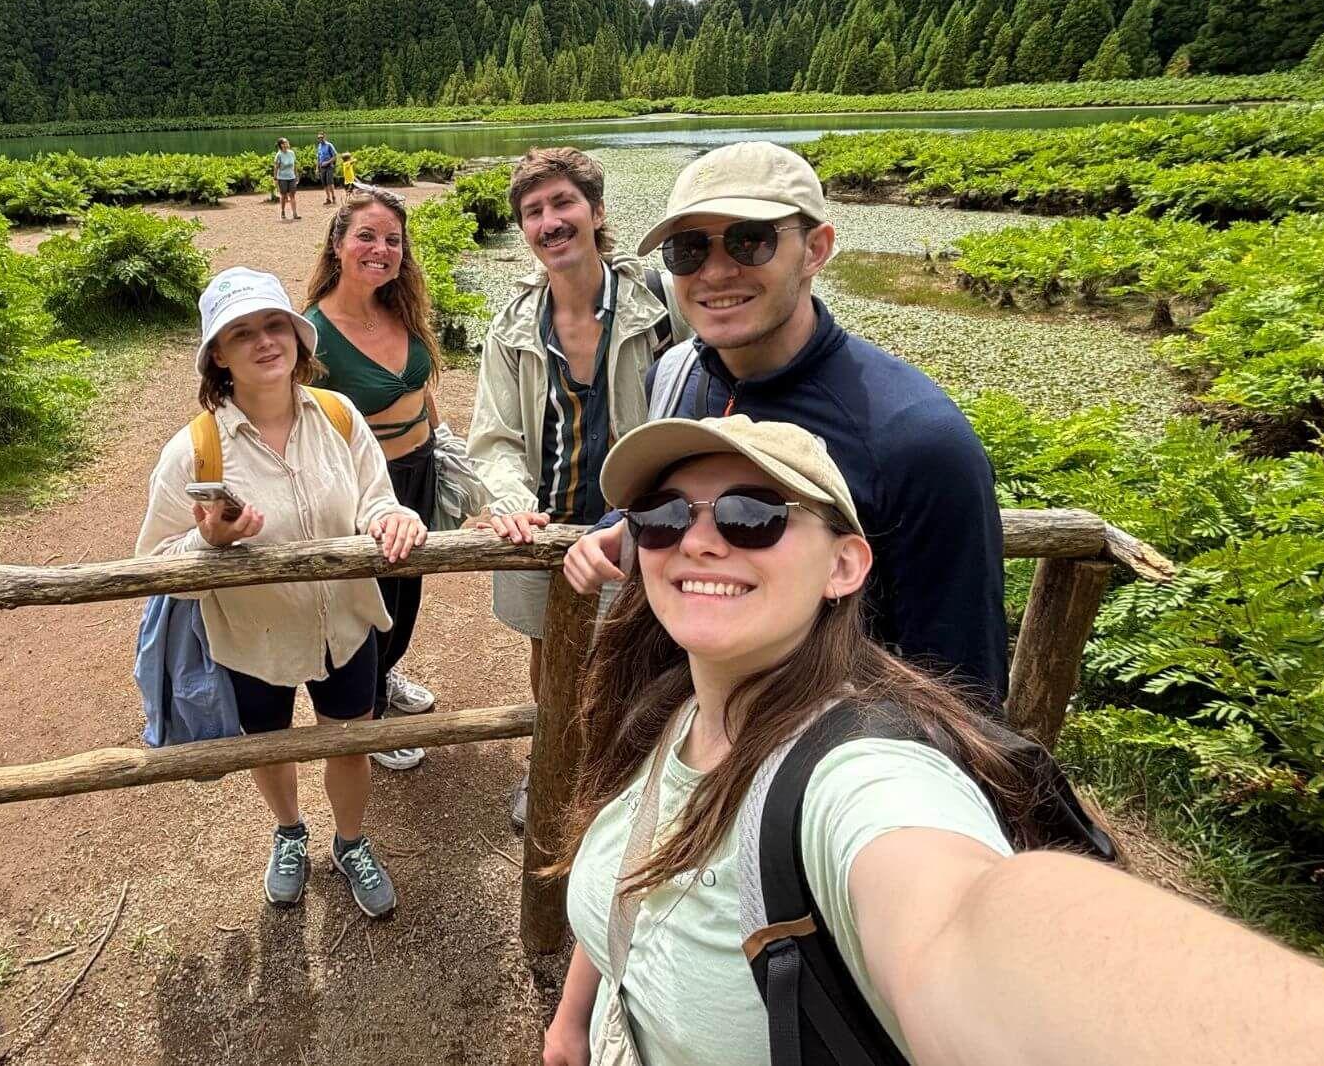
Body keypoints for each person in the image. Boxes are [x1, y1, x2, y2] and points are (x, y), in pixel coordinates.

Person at [542, 413, 1324, 1066]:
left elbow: (962, 926)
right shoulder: (673, 708)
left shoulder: (861, 775)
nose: (699, 539)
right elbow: (635, 877)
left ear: (846, 567)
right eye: (662, 514)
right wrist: (573, 1022)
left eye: (755, 516)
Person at [562, 142, 1008, 705]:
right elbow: (670, 491)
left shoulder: (915, 439)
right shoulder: (673, 375)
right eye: (688, 248)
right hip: (695, 727)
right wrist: (621, 527)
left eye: (752, 240)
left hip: (827, 758)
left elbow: (962, 687)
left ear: (816, 248)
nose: (717, 272)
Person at [136, 267, 426, 918]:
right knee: (271, 743)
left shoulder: (339, 415)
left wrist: (392, 517)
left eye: (274, 324)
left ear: (298, 337)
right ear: (218, 354)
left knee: (348, 741)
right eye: (242, 332)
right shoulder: (194, 452)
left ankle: (350, 843)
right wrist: (209, 545)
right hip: (251, 641)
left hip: (346, 627)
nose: (264, 341)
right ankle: (289, 833)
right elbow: (150, 564)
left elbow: (375, 500)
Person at [465, 147, 672, 831]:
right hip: (544, 530)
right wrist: (512, 502)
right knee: (549, 653)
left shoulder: (660, 309)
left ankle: (620, 778)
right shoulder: (512, 326)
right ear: (523, 229)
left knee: (638, 652)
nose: (550, 222)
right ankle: (548, 764)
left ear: (597, 211)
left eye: (563, 204)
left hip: (639, 525)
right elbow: (493, 439)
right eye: (533, 212)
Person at [305, 184, 445, 771]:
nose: (381, 250)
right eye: (366, 236)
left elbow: (419, 389)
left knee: (405, 592)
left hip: (421, 471)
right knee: (367, 598)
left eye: (393, 239)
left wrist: (446, 441)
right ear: (338, 243)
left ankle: (383, 679)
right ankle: (369, 714)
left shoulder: (401, 308)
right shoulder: (314, 333)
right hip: (369, 487)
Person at [273, 137, 299, 221]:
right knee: (283, 196)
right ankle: (283, 211)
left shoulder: (292, 153)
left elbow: (294, 165)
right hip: (282, 178)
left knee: (292, 195)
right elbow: (276, 167)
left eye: (287, 142)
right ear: (281, 145)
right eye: (285, 143)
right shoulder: (279, 155)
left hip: (291, 177)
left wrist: (296, 175)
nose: (287, 144)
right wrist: (275, 178)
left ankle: (295, 214)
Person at [316, 131, 340, 205]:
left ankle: (333, 197)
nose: (320, 139)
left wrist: (328, 162)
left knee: (330, 183)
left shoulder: (329, 145)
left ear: (324, 137)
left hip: (329, 166)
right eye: (319, 138)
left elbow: (335, 156)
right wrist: (317, 168)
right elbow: (318, 158)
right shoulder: (319, 146)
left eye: (321, 137)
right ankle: (328, 198)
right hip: (322, 167)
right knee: (324, 184)